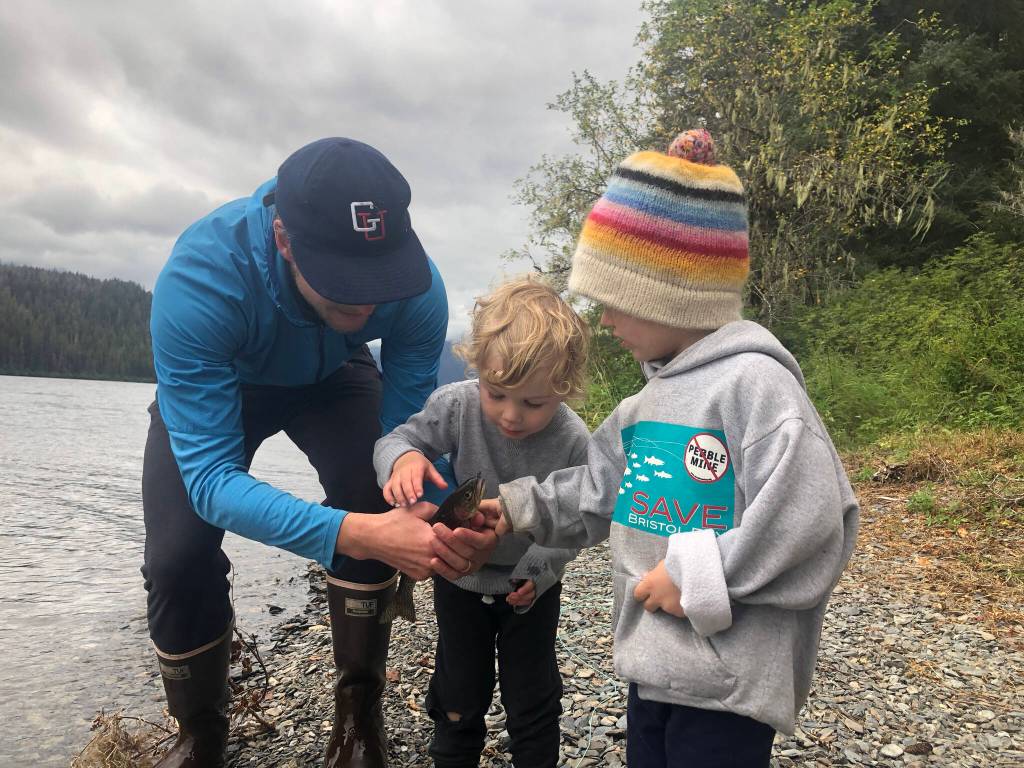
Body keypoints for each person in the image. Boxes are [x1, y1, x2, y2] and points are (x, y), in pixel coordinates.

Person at [481, 130, 859, 768]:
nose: (604, 321)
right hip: (655, 663)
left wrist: (696, 578)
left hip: (729, 682)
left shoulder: (756, 386)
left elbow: (813, 518)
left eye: (613, 302)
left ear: (667, 295)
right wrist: (517, 508)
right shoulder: (647, 403)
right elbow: (600, 488)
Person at [142, 137, 496, 768]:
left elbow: (407, 441)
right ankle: (201, 734)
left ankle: (360, 715)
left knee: (380, 491)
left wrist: (443, 517)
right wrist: (356, 535)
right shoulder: (202, 279)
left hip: (334, 376)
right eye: (343, 288)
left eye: (377, 283)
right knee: (177, 556)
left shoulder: (417, 290)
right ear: (284, 239)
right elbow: (211, 481)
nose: (366, 303)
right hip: (227, 379)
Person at [373, 276, 591, 768]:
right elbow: (394, 440)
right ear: (479, 373)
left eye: (534, 402)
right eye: (497, 394)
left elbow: (575, 523)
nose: (511, 415)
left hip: (528, 589)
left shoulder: (575, 441)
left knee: (533, 695)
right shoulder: (457, 404)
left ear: (564, 388)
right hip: (458, 579)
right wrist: (403, 460)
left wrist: (537, 573)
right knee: (458, 692)